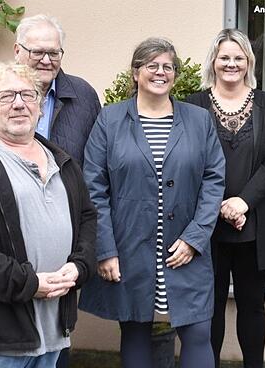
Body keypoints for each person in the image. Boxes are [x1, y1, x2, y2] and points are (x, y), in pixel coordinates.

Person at [78, 37, 226, 368]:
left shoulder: (199, 120)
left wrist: (195, 237)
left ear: (176, 74)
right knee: (134, 329)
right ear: (135, 73)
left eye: (168, 67)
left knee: (198, 331)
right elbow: (93, 187)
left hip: (186, 249)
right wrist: (106, 249)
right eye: (152, 65)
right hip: (130, 247)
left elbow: (214, 181)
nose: (160, 73)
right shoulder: (109, 121)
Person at [0, 62, 97, 367]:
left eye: (28, 95)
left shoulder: (63, 163)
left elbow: (87, 219)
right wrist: (28, 284)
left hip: (54, 327)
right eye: (5, 96)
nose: (18, 104)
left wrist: (80, 265)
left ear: (40, 108)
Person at [186, 29, 265, 368]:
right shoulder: (193, 105)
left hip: (254, 223)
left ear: (249, 63)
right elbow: (186, 163)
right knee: (208, 308)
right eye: (224, 57)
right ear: (213, 62)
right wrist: (218, 206)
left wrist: (242, 203)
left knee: (252, 306)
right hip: (205, 226)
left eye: (238, 58)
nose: (231, 64)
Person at [0, 14, 100, 165]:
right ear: (17, 51)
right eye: (37, 52)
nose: (46, 61)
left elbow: (96, 165)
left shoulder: (84, 95)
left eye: (53, 53)